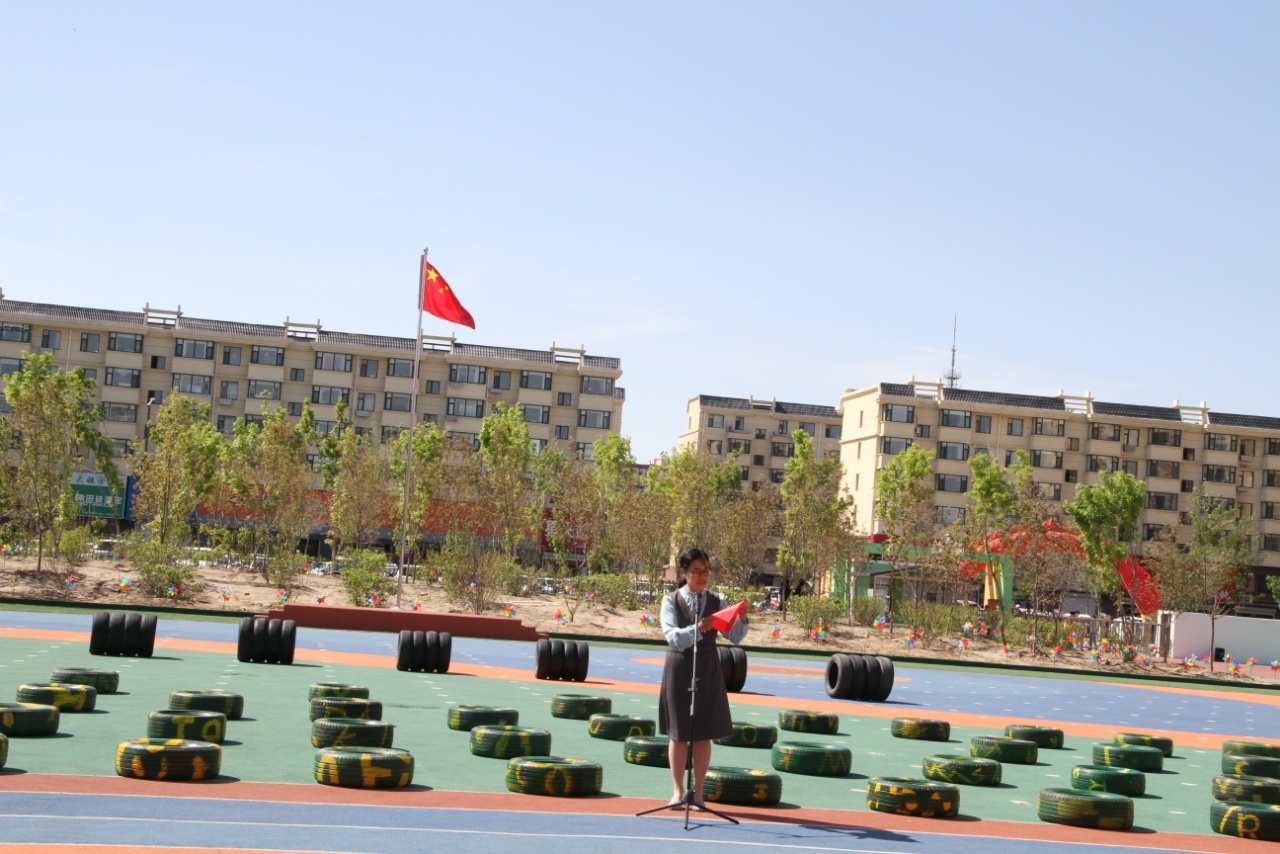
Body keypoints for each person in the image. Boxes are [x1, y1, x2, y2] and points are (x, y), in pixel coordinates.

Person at [658, 547, 749, 809]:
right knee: (678, 733)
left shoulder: (717, 601)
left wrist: (741, 620)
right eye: (696, 571)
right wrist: (697, 629)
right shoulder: (671, 600)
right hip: (679, 666)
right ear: (684, 573)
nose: (702, 576)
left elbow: (734, 636)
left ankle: (698, 793)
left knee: (703, 733)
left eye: (706, 571)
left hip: (708, 667)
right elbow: (673, 637)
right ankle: (678, 791)